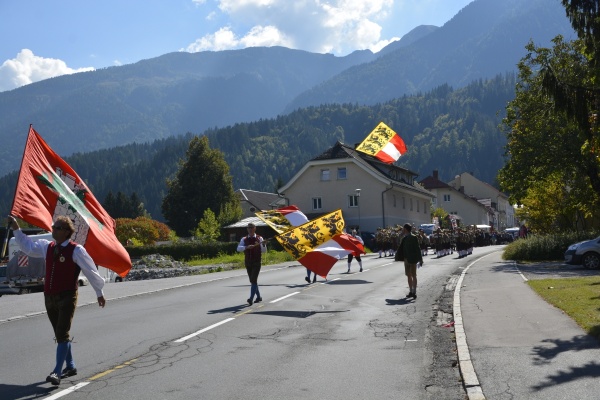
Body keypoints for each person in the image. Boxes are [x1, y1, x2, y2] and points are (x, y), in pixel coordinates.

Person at [8, 215, 106, 386]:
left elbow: (91, 271)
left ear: (67, 232)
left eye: (57, 227)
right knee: (60, 335)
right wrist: (16, 227)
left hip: (67, 296)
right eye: (53, 227)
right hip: (49, 296)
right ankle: (71, 365)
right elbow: (28, 247)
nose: (53, 229)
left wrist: (99, 291)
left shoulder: (76, 250)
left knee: (62, 333)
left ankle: (57, 372)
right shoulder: (48, 246)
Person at [237, 222, 266, 305]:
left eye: (251, 227)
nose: (250, 229)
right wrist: (246, 247)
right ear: (247, 229)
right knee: (252, 281)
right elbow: (238, 248)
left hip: (257, 262)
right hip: (248, 262)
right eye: (248, 228)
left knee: (253, 280)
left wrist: (263, 245)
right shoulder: (244, 239)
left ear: (255, 228)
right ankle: (259, 297)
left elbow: (264, 251)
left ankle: (251, 298)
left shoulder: (259, 238)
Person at [394, 223, 424, 299]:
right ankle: (410, 291)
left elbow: (417, 248)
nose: (402, 230)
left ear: (406, 229)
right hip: (406, 259)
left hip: (412, 259)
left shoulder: (413, 237)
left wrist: (420, 259)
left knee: (413, 275)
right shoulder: (403, 238)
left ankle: (414, 291)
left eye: (403, 229)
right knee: (408, 275)